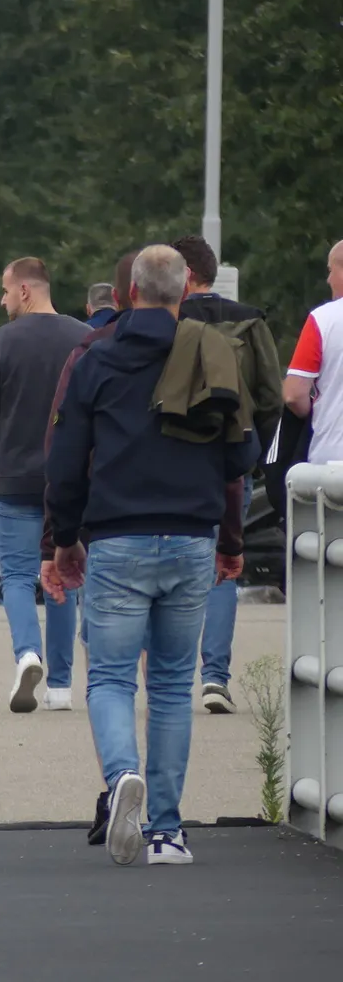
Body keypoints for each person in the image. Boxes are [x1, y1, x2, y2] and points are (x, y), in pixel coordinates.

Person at [46, 245, 257, 868]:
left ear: (131, 292)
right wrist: (230, 540)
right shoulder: (211, 355)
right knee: (169, 685)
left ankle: (121, 780)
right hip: (192, 538)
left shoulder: (96, 358)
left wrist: (64, 539)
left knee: (110, 677)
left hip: (117, 538)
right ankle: (168, 832)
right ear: (184, 291)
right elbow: (239, 461)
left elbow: (64, 458)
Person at [0, 257, 89, 712]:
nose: (1, 300)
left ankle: (27, 654)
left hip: (16, 477)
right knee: (62, 573)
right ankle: (60, 686)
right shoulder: (83, 339)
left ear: (25, 291)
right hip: (70, 478)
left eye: (5, 290)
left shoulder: (0, 343)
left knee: (16, 574)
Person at [172, 234, 284, 715]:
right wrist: (259, 456)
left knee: (175, 565)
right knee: (224, 564)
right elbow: (271, 396)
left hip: (175, 458)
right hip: (232, 457)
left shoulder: (171, 321)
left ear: (185, 276)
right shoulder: (251, 319)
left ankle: (171, 675)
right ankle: (214, 676)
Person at [282, 240, 343, 462]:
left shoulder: (322, 319)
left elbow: (293, 394)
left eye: (330, 271)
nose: (328, 280)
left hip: (333, 458)